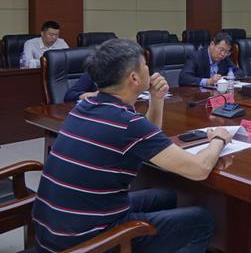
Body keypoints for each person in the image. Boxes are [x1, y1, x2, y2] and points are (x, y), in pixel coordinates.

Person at [33, 39, 233, 252]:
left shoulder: (84, 106)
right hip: (84, 242)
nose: (150, 69)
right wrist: (218, 139)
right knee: (201, 221)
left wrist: (157, 99)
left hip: (53, 230)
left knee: (165, 197)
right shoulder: (127, 123)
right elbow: (199, 169)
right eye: (145, 65)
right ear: (134, 78)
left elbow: (146, 138)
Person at [179, 32, 244, 87]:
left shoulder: (225, 59)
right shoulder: (196, 57)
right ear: (212, 44)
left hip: (218, 94)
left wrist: (227, 78)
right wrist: (208, 81)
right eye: (221, 50)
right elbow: (184, 78)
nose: (223, 54)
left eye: (227, 52)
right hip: (198, 95)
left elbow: (239, 72)